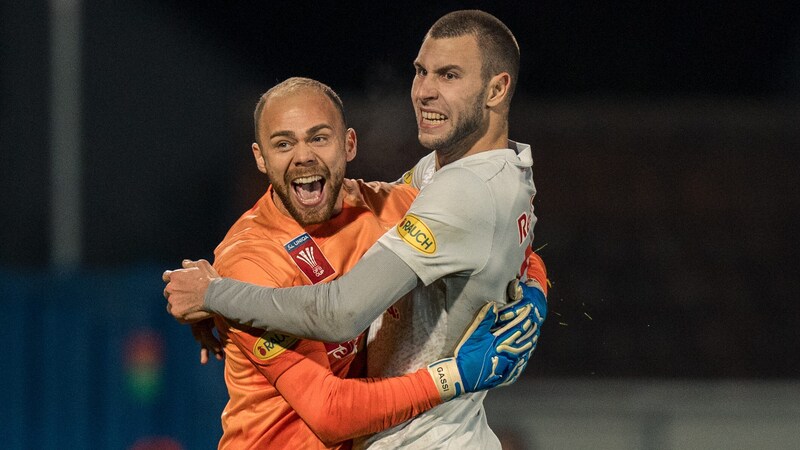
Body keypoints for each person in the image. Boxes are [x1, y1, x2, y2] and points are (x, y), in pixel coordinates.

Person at [164, 10, 547, 449]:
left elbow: (478, 225)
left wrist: (532, 288)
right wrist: (219, 297)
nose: (303, 156)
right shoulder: (250, 260)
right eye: (284, 143)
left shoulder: (390, 205)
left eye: (319, 138)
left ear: (349, 144)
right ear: (260, 158)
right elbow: (330, 412)